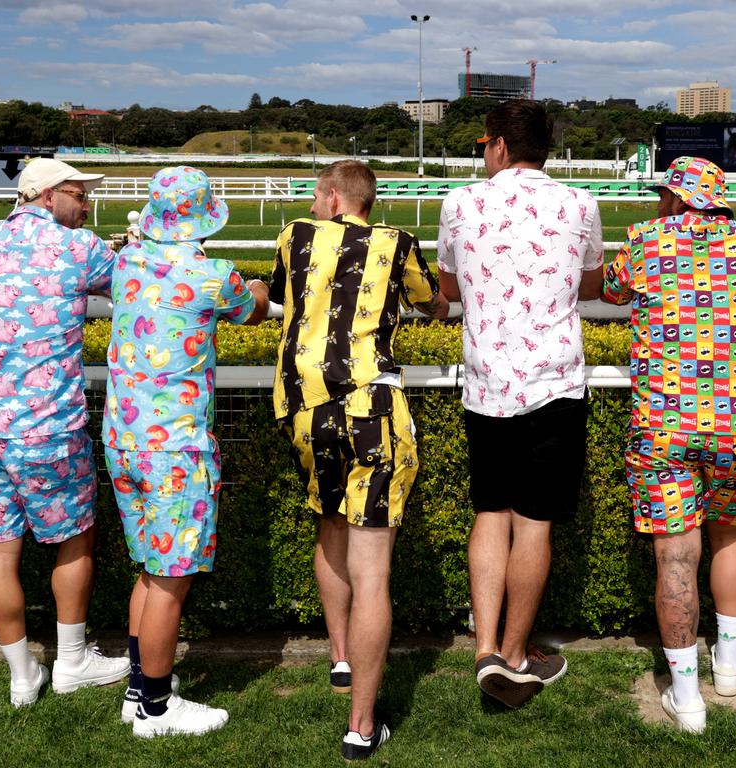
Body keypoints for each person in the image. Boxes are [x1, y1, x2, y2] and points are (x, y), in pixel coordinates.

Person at [602, 156, 736, 732]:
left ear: (677, 197)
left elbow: (611, 294)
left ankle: (687, 699)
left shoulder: (643, 239)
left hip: (664, 424)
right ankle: (728, 666)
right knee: (731, 533)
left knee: (675, 553)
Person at [269, 159, 445, 760]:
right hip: (375, 409)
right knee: (374, 572)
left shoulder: (293, 236)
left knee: (329, 524)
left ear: (333, 194)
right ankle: (361, 726)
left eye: (318, 195)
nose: (313, 204)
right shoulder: (397, 243)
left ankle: (341, 658)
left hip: (306, 411)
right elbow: (433, 304)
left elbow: (281, 296)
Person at [435, 100, 604, 709]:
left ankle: (485, 649)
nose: (483, 153)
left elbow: (447, 288)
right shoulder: (580, 204)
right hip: (555, 384)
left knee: (491, 513)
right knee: (535, 522)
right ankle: (513, 652)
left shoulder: (459, 203)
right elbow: (591, 282)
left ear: (500, 146)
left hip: (486, 386)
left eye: (485, 144)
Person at [0, 158, 129, 707]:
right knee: (75, 538)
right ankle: (72, 659)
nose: (87, 204)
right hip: (46, 427)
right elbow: (128, 282)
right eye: (79, 194)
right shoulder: (81, 248)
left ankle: (21, 675)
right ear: (48, 197)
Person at [103, 166, 269, 737]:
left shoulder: (125, 262)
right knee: (171, 578)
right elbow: (251, 307)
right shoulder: (211, 274)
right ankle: (155, 707)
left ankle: (137, 689)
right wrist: (262, 288)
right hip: (174, 447)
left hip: (123, 439)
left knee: (150, 569)